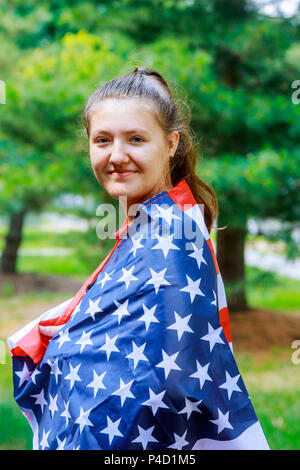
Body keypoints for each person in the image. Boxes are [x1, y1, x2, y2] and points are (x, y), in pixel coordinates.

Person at [8, 66, 269, 450]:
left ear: (170, 144)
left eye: (136, 139)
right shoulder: (148, 226)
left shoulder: (172, 238)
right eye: (102, 140)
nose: (116, 155)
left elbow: (164, 387)